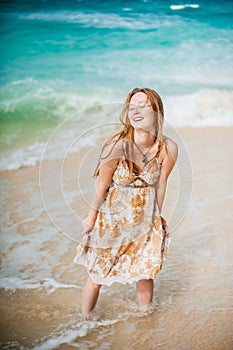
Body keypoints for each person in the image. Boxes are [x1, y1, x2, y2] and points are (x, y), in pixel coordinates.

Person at [74, 87, 178, 317]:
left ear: (157, 111)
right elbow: (102, 186)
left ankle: (145, 318)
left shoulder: (167, 148)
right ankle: (85, 320)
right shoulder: (116, 146)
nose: (136, 110)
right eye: (132, 107)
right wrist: (91, 218)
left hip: (144, 220)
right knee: (97, 274)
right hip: (112, 220)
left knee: (145, 272)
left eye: (143, 105)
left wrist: (157, 217)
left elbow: (161, 185)